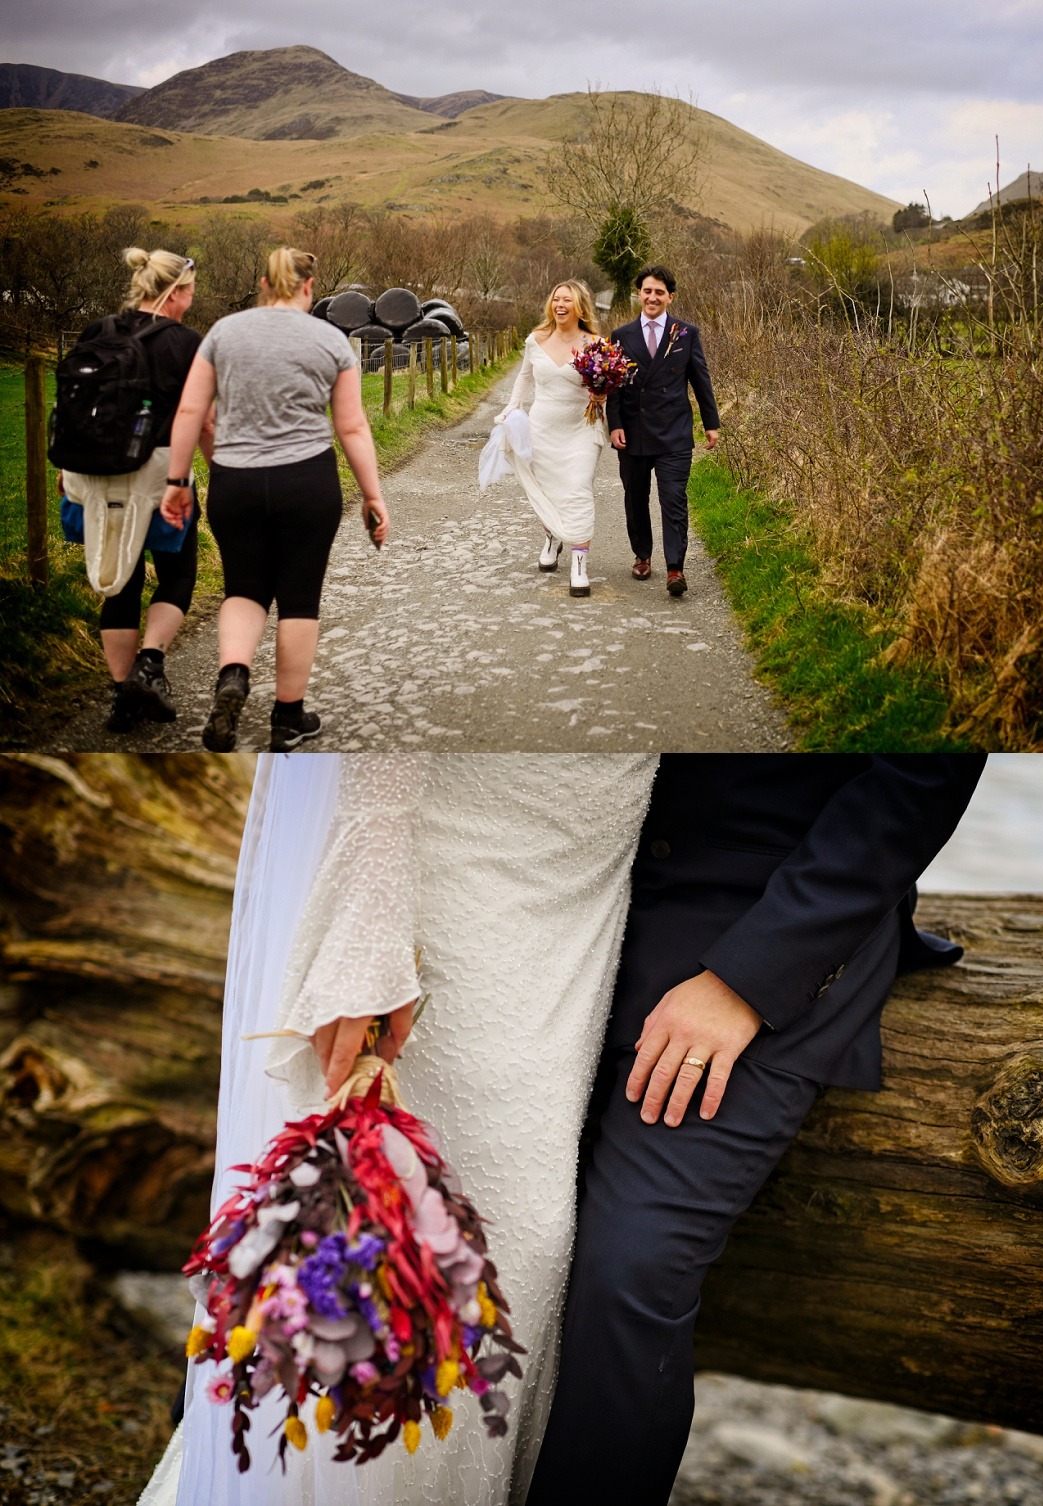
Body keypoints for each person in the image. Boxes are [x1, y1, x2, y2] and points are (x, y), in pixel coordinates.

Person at [137, 752, 659, 1506]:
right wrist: (369, 920)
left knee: (528, 1252)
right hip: (452, 866)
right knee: (372, 1244)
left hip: (576, 896)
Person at [526, 752, 987, 1506]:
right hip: (552, 912)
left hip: (757, 920)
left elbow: (926, 773)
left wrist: (750, 977)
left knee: (629, 1267)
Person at [159, 248, 390, 753]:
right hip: (306, 481)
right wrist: (373, 495)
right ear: (309, 288)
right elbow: (351, 425)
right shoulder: (330, 339)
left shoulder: (223, 332)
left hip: (234, 482)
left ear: (263, 283)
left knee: (244, 588)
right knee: (299, 597)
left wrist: (178, 481)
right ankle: (287, 718)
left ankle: (234, 675)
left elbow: (191, 410)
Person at [64, 248, 208, 732]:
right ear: (176, 292)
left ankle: (122, 694)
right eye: (190, 292)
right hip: (159, 472)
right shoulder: (186, 343)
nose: (191, 301)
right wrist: (219, 471)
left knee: (119, 581)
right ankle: (149, 666)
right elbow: (201, 418)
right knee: (178, 571)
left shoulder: (96, 332)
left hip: (92, 474)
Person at [606, 264, 721, 596]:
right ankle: (642, 556)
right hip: (633, 432)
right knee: (636, 499)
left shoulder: (687, 333)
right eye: (647, 291)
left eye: (659, 292)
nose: (652, 297)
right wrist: (615, 425)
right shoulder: (621, 335)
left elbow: (701, 380)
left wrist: (711, 423)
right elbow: (614, 385)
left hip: (674, 432)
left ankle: (675, 568)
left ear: (670, 297)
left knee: (673, 499)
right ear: (639, 294)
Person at [495, 281, 606, 599]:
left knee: (578, 488)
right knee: (550, 490)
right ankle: (551, 538)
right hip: (542, 429)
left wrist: (602, 395)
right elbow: (525, 376)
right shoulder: (536, 339)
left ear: (580, 307)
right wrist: (512, 408)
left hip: (581, 430)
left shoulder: (595, 343)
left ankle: (579, 565)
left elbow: (605, 384)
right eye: (556, 299)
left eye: (566, 300)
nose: (559, 304)